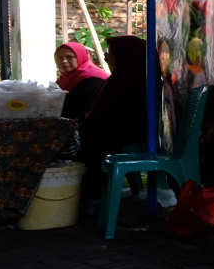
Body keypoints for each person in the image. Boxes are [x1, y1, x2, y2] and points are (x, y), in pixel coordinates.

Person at [77, 36, 153, 207]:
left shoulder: (141, 83)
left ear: (125, 54)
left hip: (128, 134)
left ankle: (89, 195)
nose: (105, 56)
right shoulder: (121, 77)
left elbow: (129, 121)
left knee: (84, 141)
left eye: (110, 52)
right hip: (113, 130)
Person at [54, 41, 108, 119]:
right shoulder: (65, 78)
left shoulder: (92, 79)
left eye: (69, 57)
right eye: (59, 58)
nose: (64, 61)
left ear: (81, 57)